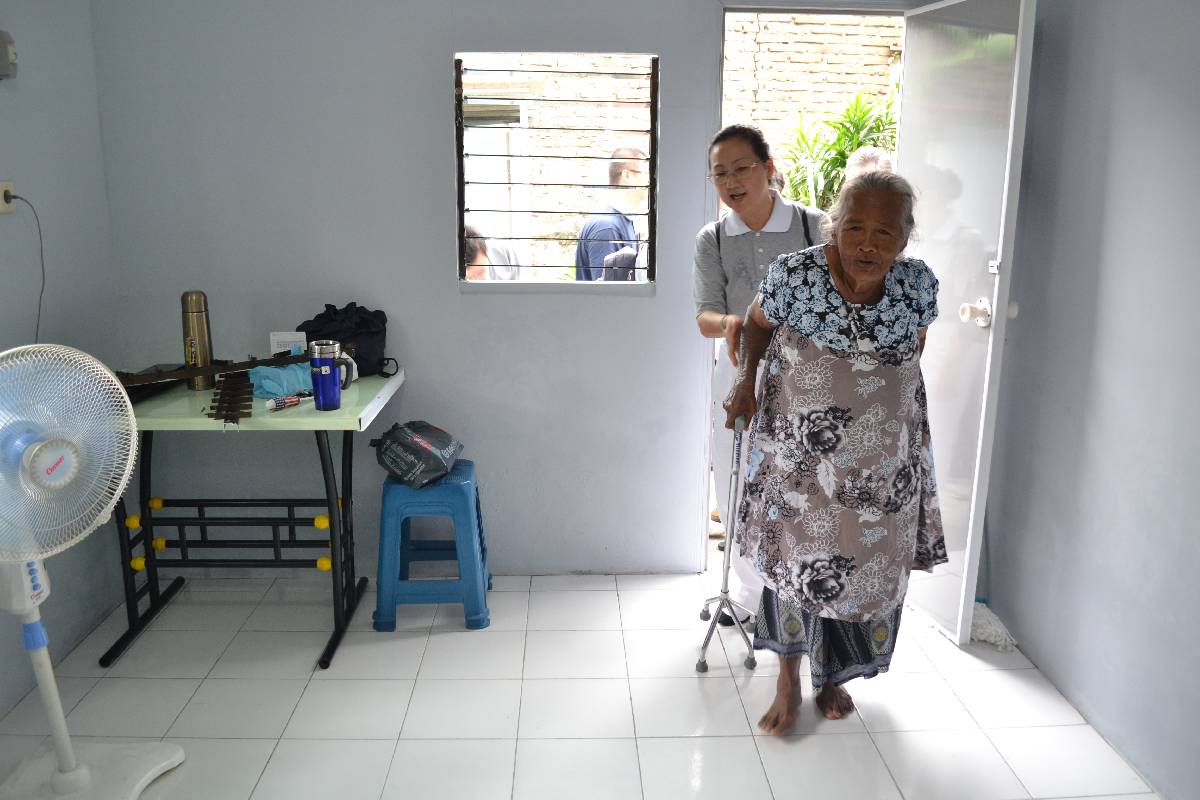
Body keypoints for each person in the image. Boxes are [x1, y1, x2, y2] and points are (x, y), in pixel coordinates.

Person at [723, 171, 947, 735]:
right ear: (834, 226)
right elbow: (756, 326)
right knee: (796, 561)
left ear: (905, 237)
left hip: (882, 464)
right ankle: (789, 676)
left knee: (863, 566)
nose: (867, 243)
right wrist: (746, 382)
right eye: (854, 227)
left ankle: (833, 675)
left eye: (884, 231)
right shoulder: (795, 275)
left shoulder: (918, 286)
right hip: (802, 456)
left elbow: (913, 352)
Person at [693, 124, 828, 625]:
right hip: (738, 376)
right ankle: (751, 599)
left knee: (806, 485)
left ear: (769, 169)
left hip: (808, 379)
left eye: (740, 168)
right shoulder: (714, 239)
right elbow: (704, 314)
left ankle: (806, 596)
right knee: (737, 483)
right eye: (718, 173)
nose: (730, 181)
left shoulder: (814, 227)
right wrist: (733, 323)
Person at [575, 148, 646, 281]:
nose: (651, 180)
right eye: (646, 173)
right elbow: (607, 297)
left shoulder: (623, 222)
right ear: (627, 176)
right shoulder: (607, 227)